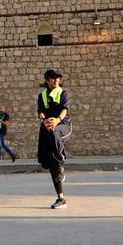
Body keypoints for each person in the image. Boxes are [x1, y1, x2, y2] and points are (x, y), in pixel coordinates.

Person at [37, 68, 71, 209]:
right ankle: (60, 197)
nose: (56, 80)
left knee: (54, 133)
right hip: (48, 128)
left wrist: (57, 120)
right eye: (52, 78)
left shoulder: (63, 94)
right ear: (47, 80)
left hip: (63, 126)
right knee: (50, 163)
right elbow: (40, 112)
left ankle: (61, 160)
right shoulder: (42, 96)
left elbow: (65, 109)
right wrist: (44, 120)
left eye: (57, 78)